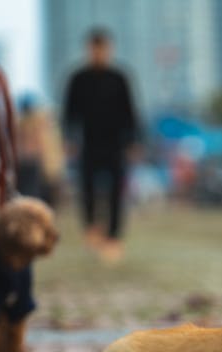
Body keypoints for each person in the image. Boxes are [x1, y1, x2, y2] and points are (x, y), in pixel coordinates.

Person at [62, 28, 140, 264]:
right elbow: (69, 112)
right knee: (86, 190)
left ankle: (113, 238)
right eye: (94, 48)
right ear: (89, 49)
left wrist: (133, 141)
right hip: (88, 143)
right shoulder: (78, 78)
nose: (98, 53)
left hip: (115, 144)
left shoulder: (119, 78)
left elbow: (130, 112)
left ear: (109, 49)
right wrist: (69, 139)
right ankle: (91, 231)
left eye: (102, 48)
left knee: (116, 192)